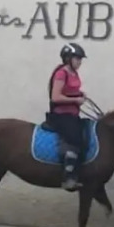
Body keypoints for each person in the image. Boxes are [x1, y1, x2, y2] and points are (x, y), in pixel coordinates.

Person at [47, 43, 88, 191]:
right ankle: (68, 176)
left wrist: (80, 94)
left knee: (86, 136)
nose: (80, 62)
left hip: (73, 113)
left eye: (80, 59)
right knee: (74, 138)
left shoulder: (74, 73)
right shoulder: (61, 73)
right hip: (61, 115)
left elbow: (70, 91)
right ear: (68, 58)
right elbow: (56, 97)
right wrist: (75, 100)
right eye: (77, 58)